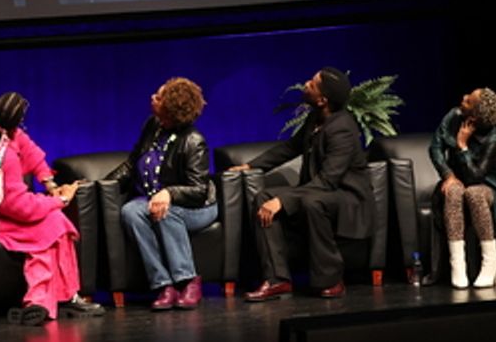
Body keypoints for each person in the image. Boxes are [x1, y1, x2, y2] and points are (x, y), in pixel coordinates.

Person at [231, 68, 372, 300]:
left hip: (347, 199)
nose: (306, 83)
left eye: (313, 84)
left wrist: (284, 200)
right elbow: (291, 148)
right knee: (263, 198)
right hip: (318, 191)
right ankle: (277, 279)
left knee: (311, 202)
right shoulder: (315, 118)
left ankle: (332, 279)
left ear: (322, 99)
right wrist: (252, 166)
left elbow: (328, 181)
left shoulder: (343, 128)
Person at [0, 92, 105, 325]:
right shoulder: (5, 157)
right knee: (52, 226)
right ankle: (46, 300)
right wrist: (60, 200)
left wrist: (50, 184)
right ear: (18, 120)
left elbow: (29, 149)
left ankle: (51, 299)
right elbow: (21, 208)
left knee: (55, 224)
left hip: (4, 210)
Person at [105, 77, 217, 310]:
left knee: (166, 213)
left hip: (198, 207)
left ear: (169, 108)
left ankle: (188, 280)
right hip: (157, 199)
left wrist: (169, 193)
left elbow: (199, 190)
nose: (152, 98)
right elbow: (132, 163)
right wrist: (101, 184)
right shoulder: (152, 126)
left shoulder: (194, 141)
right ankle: (163, 284)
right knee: (130, 211)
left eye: (158, 97)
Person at [429, 87, 496, 288]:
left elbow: (475, 177)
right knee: (454, 191)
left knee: (474, 193)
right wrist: (448, 175)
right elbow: (435, 147)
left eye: (469, 100)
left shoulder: (494, 139)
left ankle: (490, 263)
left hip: (486, 186)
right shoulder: (453, 116)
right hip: (456, 181)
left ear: (474, 116)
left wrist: (462, 146)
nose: (463, 98)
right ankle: (457, 265)